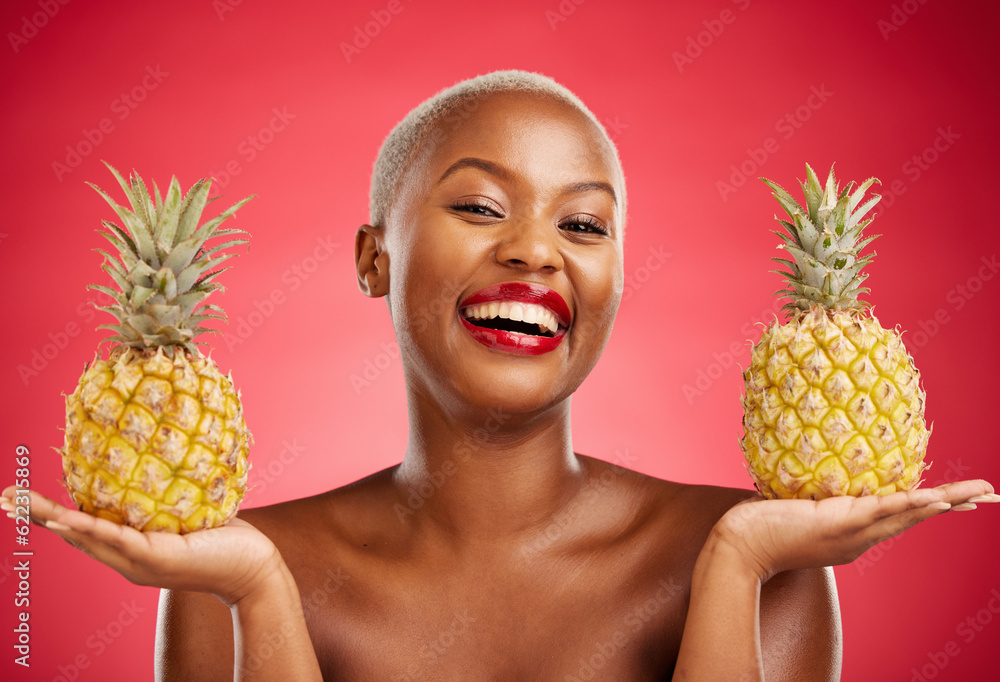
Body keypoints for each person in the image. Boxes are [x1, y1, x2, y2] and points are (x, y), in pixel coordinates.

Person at [3, 70, 996, 681]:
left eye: (583, 223)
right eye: (479, 207)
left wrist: (736, 564)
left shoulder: (759, 561)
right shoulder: (231, 570)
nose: (536, 252)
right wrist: (263, 597)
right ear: (372, 258)